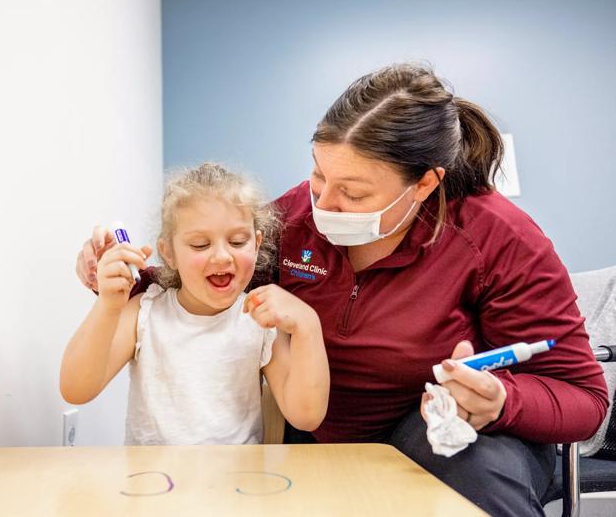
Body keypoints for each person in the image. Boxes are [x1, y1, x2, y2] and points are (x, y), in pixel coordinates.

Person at [75, 64, 608, 515]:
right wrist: (126, 275)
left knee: (473, 466)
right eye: (317, 176)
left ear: (425, 184)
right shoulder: (296, 218)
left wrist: (500, 401)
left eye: (352, 193)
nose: (323, 204)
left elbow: (584, 399)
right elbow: (212, 278)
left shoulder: (499, 239)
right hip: (318, 431)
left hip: (438, 430)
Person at [60, 163, 329, 446]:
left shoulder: (258, 320)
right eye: (201, 245)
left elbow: (306, 416)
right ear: (168, 253)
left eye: (238, 241)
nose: (223, 256)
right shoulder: (144, 312)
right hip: (153, 484)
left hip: (235, 484)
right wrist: (107, 307)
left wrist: (308, 325)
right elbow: (76, 390)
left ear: (257, 243)